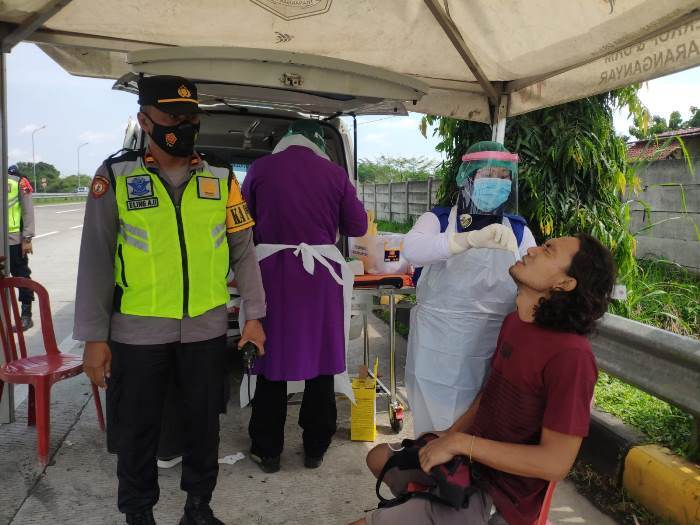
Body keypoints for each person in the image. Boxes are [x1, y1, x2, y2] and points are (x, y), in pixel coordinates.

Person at [74, 75, 266, 525]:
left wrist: (254, 315)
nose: (183, 125)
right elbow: (96, 259)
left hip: (205, 329)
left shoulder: (221, 178)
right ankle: (138, 514)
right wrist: (94, 338)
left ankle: (198, 508)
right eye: (171, 116)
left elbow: (243, 250)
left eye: (190, 117)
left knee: (204, 427)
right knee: (137, 432)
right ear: (145, 121)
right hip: (137, 332)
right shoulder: (115, 176)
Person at [351, 233, 616, 525]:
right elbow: (489, 395)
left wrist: (462, 444)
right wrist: (450, 435)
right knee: (378, 458)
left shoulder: (571, 357)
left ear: (564, 284)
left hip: (501, 494)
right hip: (468, 464)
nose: (532, 249)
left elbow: (555, 464)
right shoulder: (515, 323)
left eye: (548, 250)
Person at [241, 119, 367, 474]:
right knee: (322, 361)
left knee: (270, 361)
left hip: (272, 276)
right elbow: (357, 226)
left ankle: (267, 451)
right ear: (319, 145)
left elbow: (241, 223)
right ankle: (315, 447)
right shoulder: (335, 174)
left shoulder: (260, 169)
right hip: (320, 279)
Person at [403, 141, 537, 436]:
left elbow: (534, 279)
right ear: (467, 177)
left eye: (504, 177)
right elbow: (412, 250)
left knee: (482, 423)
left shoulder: (517, 231)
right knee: (434, 427)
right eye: (488, 175)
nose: (497, 182)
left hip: (492, 347)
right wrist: (466, 240)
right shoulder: (438, 220)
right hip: (438, 347)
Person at [7, 164, 36, 330]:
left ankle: (26, 316)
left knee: (21, 277)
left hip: (14, 240)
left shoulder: (19, 180)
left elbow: (27, 211)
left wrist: (27, 237)